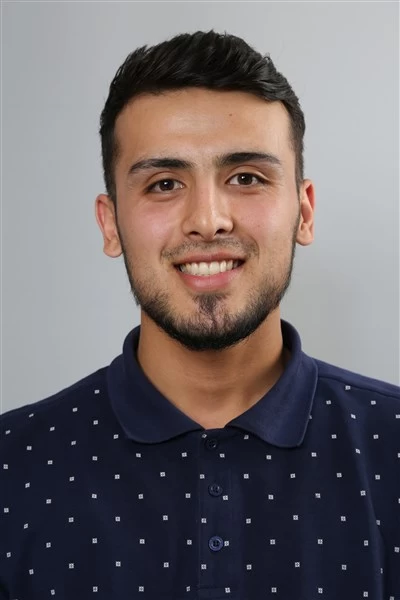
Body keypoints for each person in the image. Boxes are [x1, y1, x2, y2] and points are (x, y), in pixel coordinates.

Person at [1, 29, 399, 600]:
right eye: (164, 184)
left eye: (246, 178)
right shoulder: (12, 467)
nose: (208, 220)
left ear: (304, 212)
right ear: (110, 224)